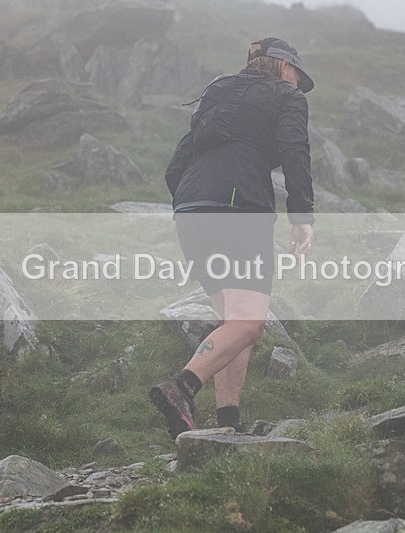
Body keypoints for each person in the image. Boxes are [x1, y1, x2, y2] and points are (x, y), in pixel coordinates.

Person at [149, 37, 315, 440]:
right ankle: (182, 388)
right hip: (239, 210)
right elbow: (295, 150)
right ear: (281, 65)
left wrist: (190, 201)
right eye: (296, 73)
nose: (298, 83)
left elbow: (180, 159)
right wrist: (302, 216)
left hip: (190, 210)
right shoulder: (286, 97)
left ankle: (228, 423)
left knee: (234, 322)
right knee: (248, 323)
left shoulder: (217, 90)